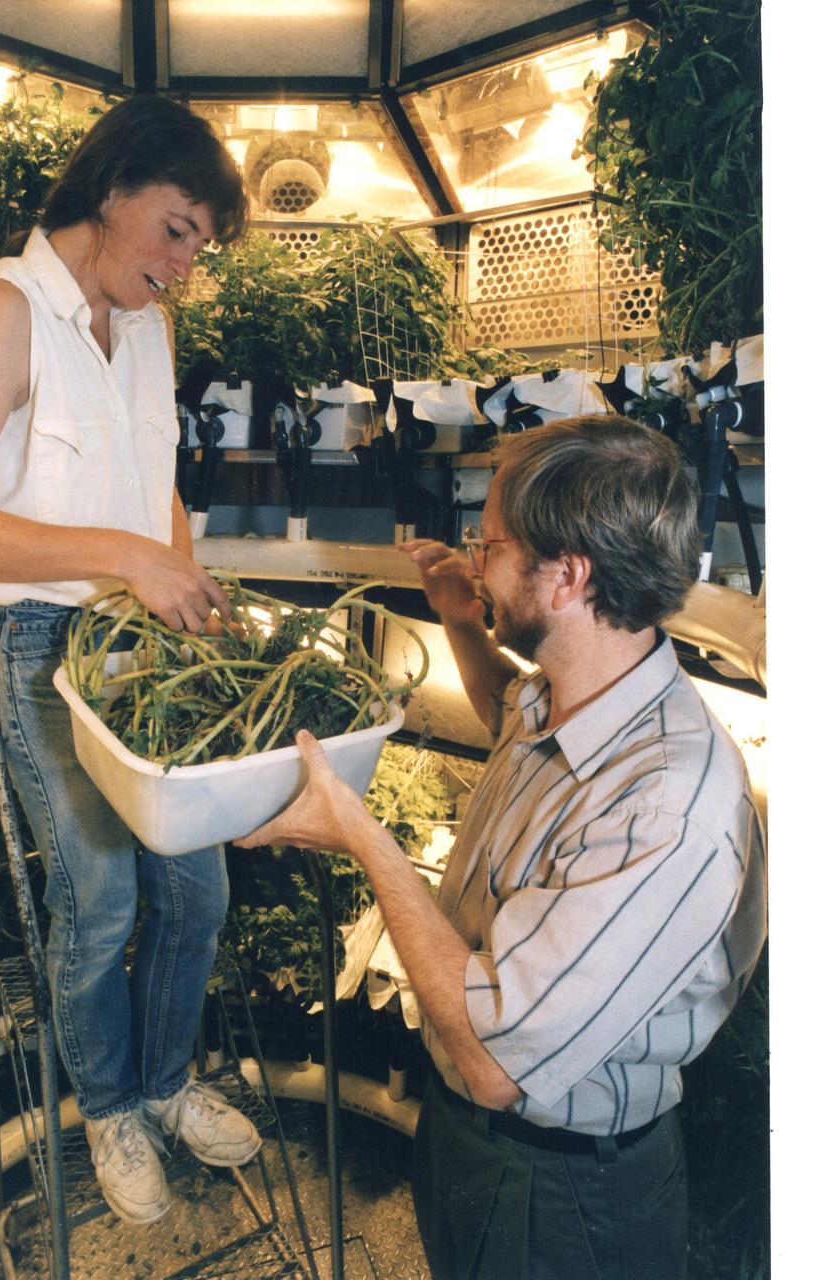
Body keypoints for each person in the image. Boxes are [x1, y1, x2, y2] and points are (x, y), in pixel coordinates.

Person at [235, 415, 767, 1279]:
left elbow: (494, 1064)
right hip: (478, 1147)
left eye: (491, 548)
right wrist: (459, 620)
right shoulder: (568, 696)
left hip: (561, 1194)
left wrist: (361, 839)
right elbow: (511, 730)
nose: (476, 563)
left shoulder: (666, 806)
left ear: (566, 575)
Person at [0, 94, 263, 1226]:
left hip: (146, 646)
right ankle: (107, 1104)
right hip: (44, 642)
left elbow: (161, 493)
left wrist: (181, 587)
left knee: (198, 883)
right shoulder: (1, 311)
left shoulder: (148, 325)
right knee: (98, 895)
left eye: (204, 243)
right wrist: (123, 556)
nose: (188, 264)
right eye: (181, 228)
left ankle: (160, 1081)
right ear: (113, 187)